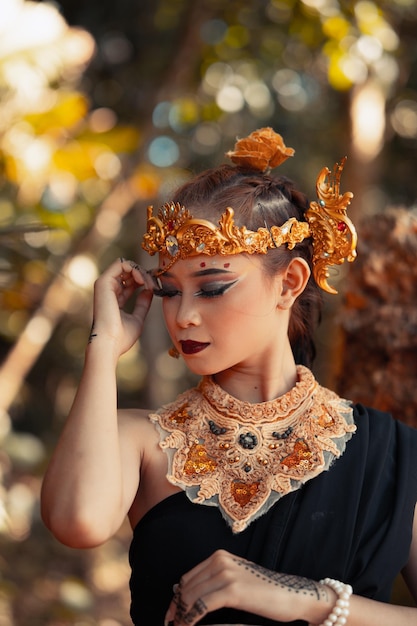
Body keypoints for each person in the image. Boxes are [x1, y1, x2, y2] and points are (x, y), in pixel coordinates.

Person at [41, 127, 417, 626]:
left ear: (289, 283)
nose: (183, 317)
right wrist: (103, 348)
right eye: (170, 291)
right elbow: (76, 521)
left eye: (212, 288)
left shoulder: (390, 453)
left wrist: (306, 599)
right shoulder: (143, 441)